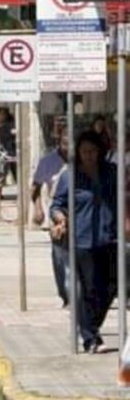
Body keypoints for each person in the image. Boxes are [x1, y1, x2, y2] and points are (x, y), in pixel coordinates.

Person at [50, 130, 119, 353]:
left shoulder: (111, 172)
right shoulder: (70, 176)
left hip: (109, 236)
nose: (89, 155)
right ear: (78, 153)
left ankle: (91, 327)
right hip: (81, 239)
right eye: (84, 152)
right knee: (88, 288)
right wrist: (60, 219)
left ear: (100, 151)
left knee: (110, 285)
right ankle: (89, 337)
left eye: (93, 151)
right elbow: (56, 205)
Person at [32, 132, 70, 307]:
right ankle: (65, 294)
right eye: (65, 144)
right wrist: (38, 208)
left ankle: (76, 295)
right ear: (59, 143)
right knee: (60, 258)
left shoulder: (83, 160)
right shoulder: (47, 162)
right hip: (56, 216)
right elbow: (36, 187)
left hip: (81, 215)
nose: (68, 148)